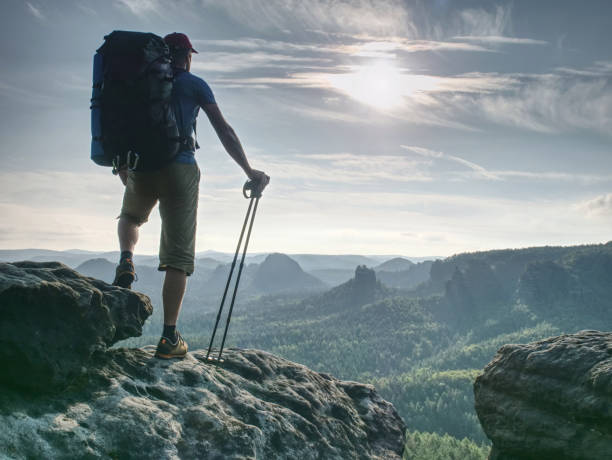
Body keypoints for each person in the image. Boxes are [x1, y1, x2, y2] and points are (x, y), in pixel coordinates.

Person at [112, 32, 269, 359]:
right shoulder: (195, 84)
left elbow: (120, 125)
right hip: (180, 169)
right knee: (178, 256)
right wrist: (249, 171)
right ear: (187, 56)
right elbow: (223, 130)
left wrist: (122, 164)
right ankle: (169, 338)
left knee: (130, 217)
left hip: (141, 166)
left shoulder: (140, 82)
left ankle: (126, 258)